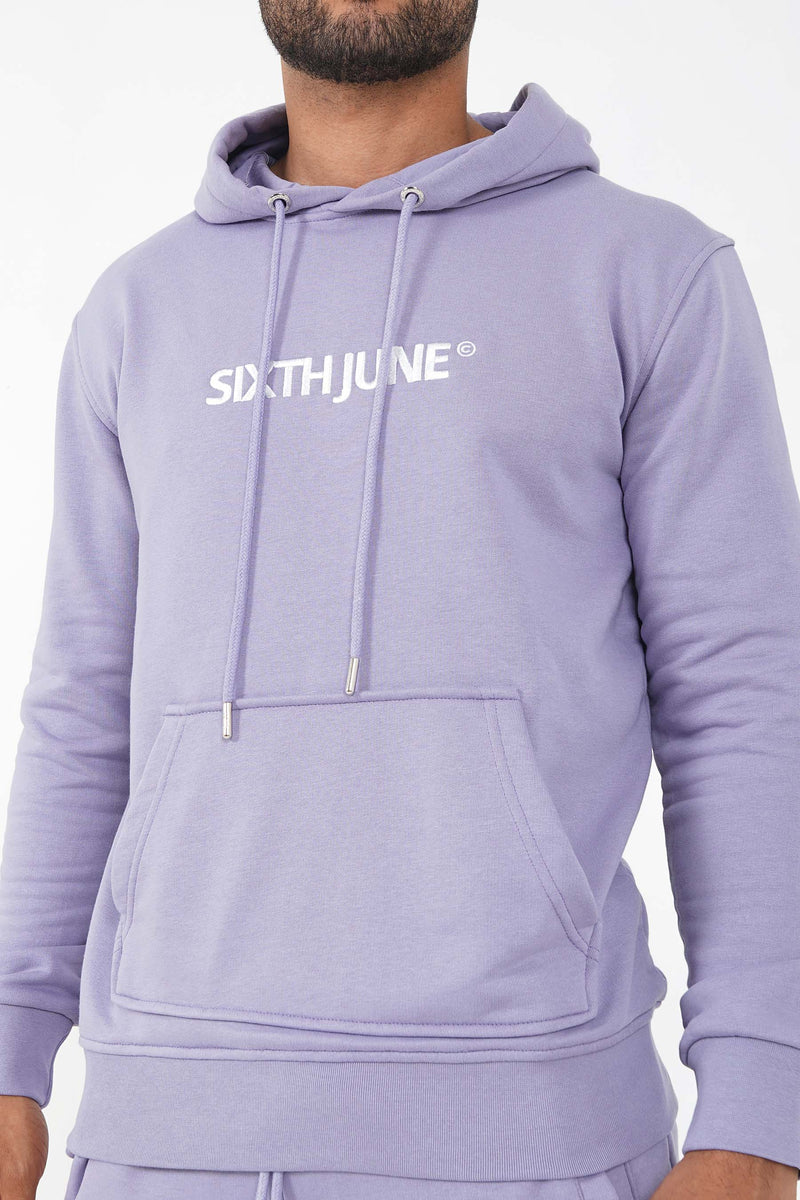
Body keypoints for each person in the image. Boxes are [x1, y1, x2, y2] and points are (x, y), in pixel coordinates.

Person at [1, 1, 799, 1197]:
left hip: (537, 1139)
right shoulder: (138, 308)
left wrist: (759, 1113)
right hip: (160, 1144)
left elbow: (739, 699)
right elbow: (80, 705)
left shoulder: (649, 273)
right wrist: (11, 1047)